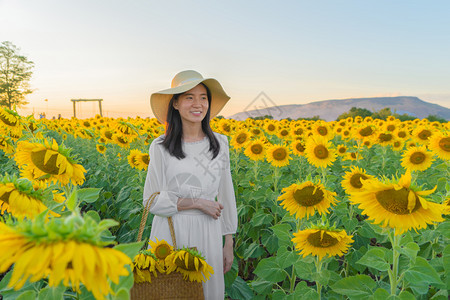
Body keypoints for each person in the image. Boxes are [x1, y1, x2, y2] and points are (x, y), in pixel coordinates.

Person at [143, 70, 238, 299]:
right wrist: (197, 203)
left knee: (207, 292)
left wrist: (228, 240)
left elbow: (226, 194)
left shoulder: (221, 144)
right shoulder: (160, 147)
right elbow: (151, 201)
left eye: (203, 97)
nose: (198, 104)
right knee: (169, 292)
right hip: (170, 232)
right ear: (175, 103)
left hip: (208, 231)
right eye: (189, 97)